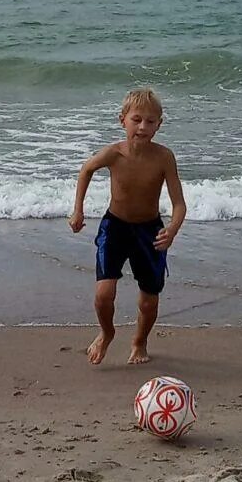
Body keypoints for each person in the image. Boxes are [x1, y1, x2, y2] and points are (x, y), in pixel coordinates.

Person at [69, 88, 187, 366]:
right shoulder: (113, 154)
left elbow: (179, 204)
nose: (143, 127)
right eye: (136, 120)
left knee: (149, 300)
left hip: (149, 232)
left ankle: (139, 341)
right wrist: (78, 210)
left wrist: (172, 229)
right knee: (103, 294)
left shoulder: (164, 157)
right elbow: (86, 170)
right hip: (115, 227)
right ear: (122, 120)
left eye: (150, 121)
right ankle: (107, 333)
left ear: (160, 124)